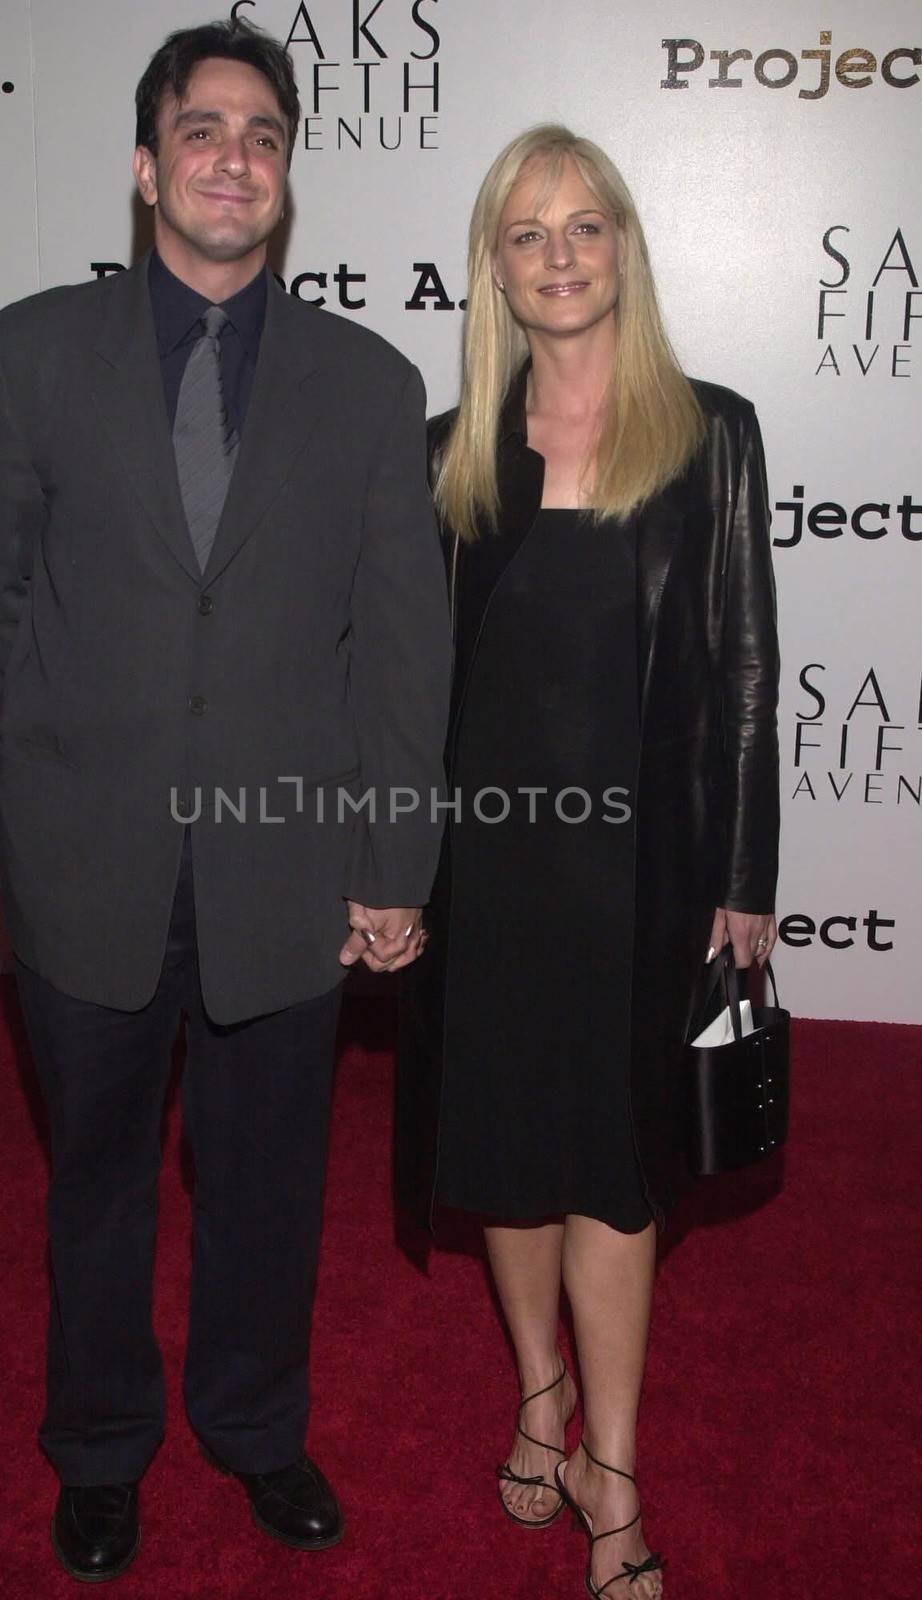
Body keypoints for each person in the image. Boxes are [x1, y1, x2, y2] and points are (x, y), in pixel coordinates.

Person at [0, 19, 450, 1583]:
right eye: (205, 128)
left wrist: (391, 863)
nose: (236, 156)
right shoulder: (23, 352)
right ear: (146, 164)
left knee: (268, 1181)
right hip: (88, 854)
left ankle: (250, 1426)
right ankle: (98, 1444)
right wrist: (105, 728)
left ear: (285, 180)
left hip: (286, 867)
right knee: (92, 1179)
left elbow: (400, 643)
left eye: (266, 136)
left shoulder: (371, 383)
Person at [398, 124, 779, 1598]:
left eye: (583, 226)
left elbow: (744, 663)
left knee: (615, 1173)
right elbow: (413, 684)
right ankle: (536, 1398)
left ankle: (609, 1471)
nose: (557, 255)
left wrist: (741, 869)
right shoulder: (448, 451)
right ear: (494, 266)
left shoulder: (708, 429)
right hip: (486, 873)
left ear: (622, 243)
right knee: (503, 1161)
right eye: (524, 232)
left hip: (639, 877)